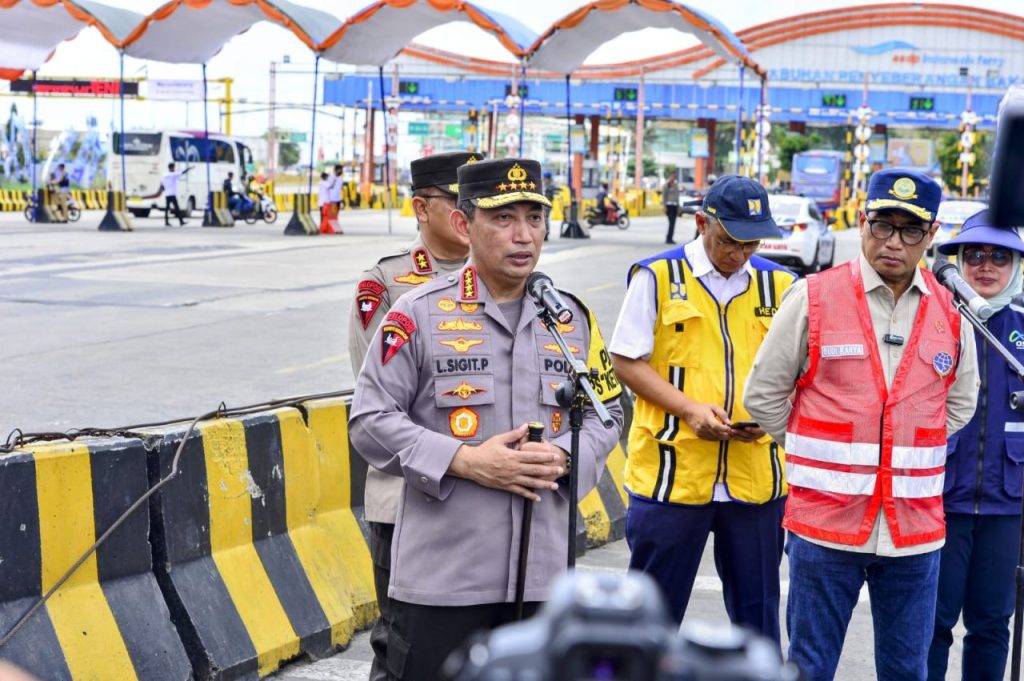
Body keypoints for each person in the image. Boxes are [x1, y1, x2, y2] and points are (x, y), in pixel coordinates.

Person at [349, 157, 624, 681]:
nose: (524, 236)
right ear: (463, 224)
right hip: (443, 580)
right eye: (503, 219)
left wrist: (566, 457)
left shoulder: (569, 319)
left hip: (543, 578)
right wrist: (467, 461)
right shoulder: (416, 313)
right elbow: (369, 419)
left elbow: (608, 412)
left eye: (534, 218)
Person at [743, 168, 979, 681]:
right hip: (823, 528)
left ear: (931, 235)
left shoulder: (953, 313)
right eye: (882, 225)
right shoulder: (813, 296)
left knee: (906, 671)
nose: (893, 242)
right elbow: (763, 394)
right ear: (860, 221)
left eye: (910, 230)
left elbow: (958, 406)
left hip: (914, 535)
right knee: (809, 666)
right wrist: (812, 445)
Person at [609, 174, 796, 644]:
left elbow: (804, 373)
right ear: (700, 222)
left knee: (759, 621)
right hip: (673, 475)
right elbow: (625, 361)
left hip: (756, 479)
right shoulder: (657, 277)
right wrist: (690, 410)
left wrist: (773, 416)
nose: (739, 253)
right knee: (649, 622)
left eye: (751, 242)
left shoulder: (783, 286)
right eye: (729, 240)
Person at [347, 150, 482, 681]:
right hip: (406, 497)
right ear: (421, 208)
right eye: (458, 201)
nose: (469, 213)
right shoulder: (387, 283)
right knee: (405, 649)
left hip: (487, 502)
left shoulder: (509, 280)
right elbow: (377, 398)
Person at [927, 211, 1024, 681]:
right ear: (959, 262)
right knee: (933, 622)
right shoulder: (933, 319)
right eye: (976, 256)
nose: (986, 266)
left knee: (991, 624)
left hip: (1009, 507)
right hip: (941, 500)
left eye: (999, 257)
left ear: (1016, 266)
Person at [157, 162, 188, 226]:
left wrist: (162, 190)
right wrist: (189, 169)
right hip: (172, 194)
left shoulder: (165, 175)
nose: (174, 168)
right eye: (174, 167)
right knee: (177, 208)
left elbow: (161, 184)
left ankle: (166, 222)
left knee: (167, 208)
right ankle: (181, 221)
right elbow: (183, 172)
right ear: (172, 167)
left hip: (167, 194)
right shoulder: (173, 174)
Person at [662, 174, 680, 244]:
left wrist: (678, 208)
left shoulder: (676, 185)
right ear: (669, 177)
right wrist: (664, 207)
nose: (673, 178)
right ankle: (668, 238)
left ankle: (670, 238)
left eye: (674, 177)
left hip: (675, 206)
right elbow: (663, 197)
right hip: (668, 206)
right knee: (671, 223)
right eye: (672, 176)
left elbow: (677, 197)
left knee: (672, 223)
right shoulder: (666, 185)